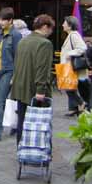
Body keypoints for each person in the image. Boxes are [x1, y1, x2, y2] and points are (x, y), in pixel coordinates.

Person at [11, 14, 55, 145]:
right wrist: (41, 90)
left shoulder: (23, 41)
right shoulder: (45, 43)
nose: (51, 32)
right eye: (51, 29)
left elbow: (17, 64)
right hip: (34, 90)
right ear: (45, 27)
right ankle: (38, 149)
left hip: (20, 87)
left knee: (22, 120)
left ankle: (21, 148)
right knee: (40, 122)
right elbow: (42, 68)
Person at [0, 7, 22, 143]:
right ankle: (16, 125)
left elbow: (18, 56)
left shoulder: (16, 35)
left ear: (11, 20)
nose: (1, 22)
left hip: (8, 70)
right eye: (0, 19)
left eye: (4, 20)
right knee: (1, 101)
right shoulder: (0, 33)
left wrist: (15, 75)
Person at [61, 16, 89, 117]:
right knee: (69, 87)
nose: (63, 25)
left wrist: (69, 53)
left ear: (69, 25)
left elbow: (82, 48)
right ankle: (74, 108)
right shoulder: (71, 35)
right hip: (68, 66)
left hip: (71, 66)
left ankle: (81, 103)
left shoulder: (74, 35)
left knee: (69, 88)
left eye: (64, 23)